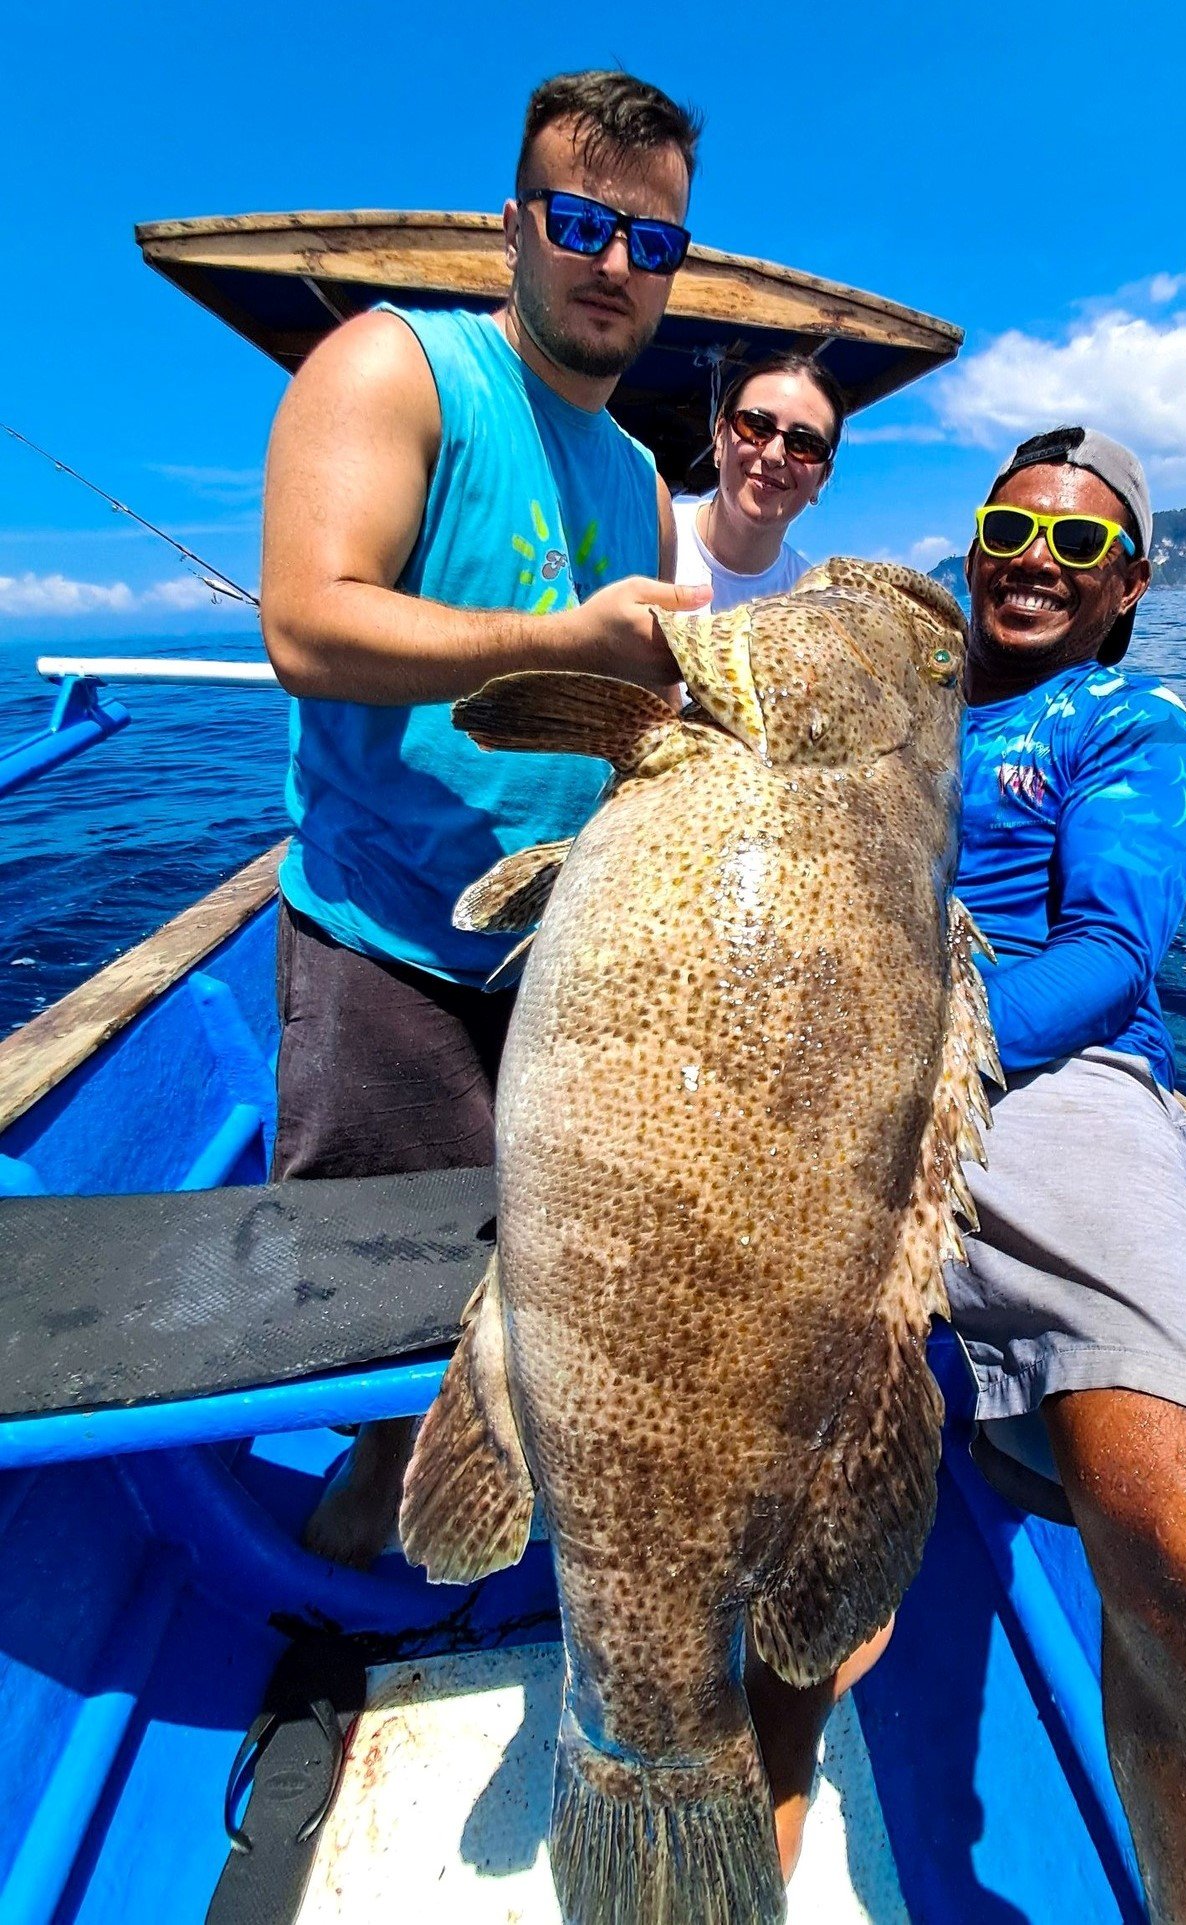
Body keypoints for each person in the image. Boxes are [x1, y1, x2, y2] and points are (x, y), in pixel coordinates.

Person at [258, 68, 709, 1568]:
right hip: (386, 939)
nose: (614, 265)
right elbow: (309, 629)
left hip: (569, 963)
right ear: (510, 224)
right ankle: (340, 1583)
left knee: (567, 1298)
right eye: (583, 221)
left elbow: (635, 721)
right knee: (381, 1328)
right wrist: (566, 642)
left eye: (651, 243)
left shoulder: (642, 475)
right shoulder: (396, 367)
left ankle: (509, 1529)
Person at [948, 425, 1186, 1922]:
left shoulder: (1122, 716)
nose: (1035, 560)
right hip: (818, 1058)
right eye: (1010, 526)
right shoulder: (891, 697)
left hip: (1047, 1074)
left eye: (1078, 545)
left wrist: (933, 1042)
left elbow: (1107, 959)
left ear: (1126, 589)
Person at [673, 352, 843, 610]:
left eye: (804, 444)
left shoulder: (814, 608)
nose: (774, 455)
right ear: (719, 437)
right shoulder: (645, 537)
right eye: (756, 425)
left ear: (822, 478)